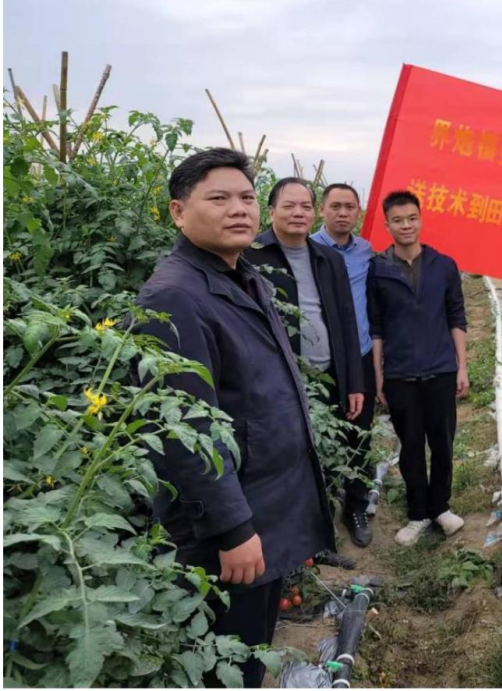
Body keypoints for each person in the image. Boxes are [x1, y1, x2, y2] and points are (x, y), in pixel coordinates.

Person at [135, 149, 333, 688]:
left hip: (265, 506)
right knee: (229, 661)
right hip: (233, 523)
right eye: (218, 199)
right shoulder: (175, 296)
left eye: (246, 197)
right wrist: (232, 528)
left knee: (251, 648)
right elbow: (181, 429)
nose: (239, 209)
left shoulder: (243, 276)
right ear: (179, 212)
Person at [244, 178, 367, 543]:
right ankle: (291, 538)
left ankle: (325, 531)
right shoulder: (252, 256)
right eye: (289, 206)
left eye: (305, 207)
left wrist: (354, 383)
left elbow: (345, 319)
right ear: (271, 212)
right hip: (280, 382)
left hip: (328, 376)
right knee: (288, 461)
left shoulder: (326, 257)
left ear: (314, 213)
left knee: (329, 454)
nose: (298, 213)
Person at [367, 190, 469, 546]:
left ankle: (441, 506)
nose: (406, 225)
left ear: (421, 219)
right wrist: (379, 374)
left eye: (411, 218)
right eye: (398, 220)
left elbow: (456, 316)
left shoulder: (443, 266)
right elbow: (376, 325)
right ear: (387, 225)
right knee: (410, 446)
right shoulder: (378, 269)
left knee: (442, 443)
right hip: (400, 374)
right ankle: (418, 514)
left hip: (440, 369)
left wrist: (461, 367)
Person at [310, 183, 378, 548]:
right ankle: (316, 513)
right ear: (322, 210)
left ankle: (355, 507)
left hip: (361, 355)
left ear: (358, 212)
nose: (342, 213)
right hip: (318, 361)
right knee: (315, 434)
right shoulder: (307, 249)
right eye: (335, 206)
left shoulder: (366, 252)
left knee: (359, 435)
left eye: (349, 207)